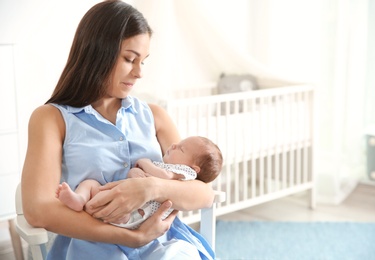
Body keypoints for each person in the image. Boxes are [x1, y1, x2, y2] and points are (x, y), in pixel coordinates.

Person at [21, 1, 218, 259]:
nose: (138, 73)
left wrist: (150, 189)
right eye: (129, 59)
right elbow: (38, 210)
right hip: (93, 246)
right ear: (97, 53)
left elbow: (202, 192)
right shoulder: (51, 119)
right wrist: (129, 237)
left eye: (143, 62)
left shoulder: (154, 116)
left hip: (163, 244)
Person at [56, 136, 223, 229]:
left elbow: (163, 176)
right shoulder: (169, 168)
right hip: (120, 199)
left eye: (181, 148)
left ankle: (119, 216)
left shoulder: (183, 173)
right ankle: (79, 199)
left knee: (110, 201)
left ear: (195, 169)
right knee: (90, 183)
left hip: (139, 213)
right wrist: (134, 172)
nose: (173, 145)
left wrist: (144, 162)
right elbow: (139, 178)